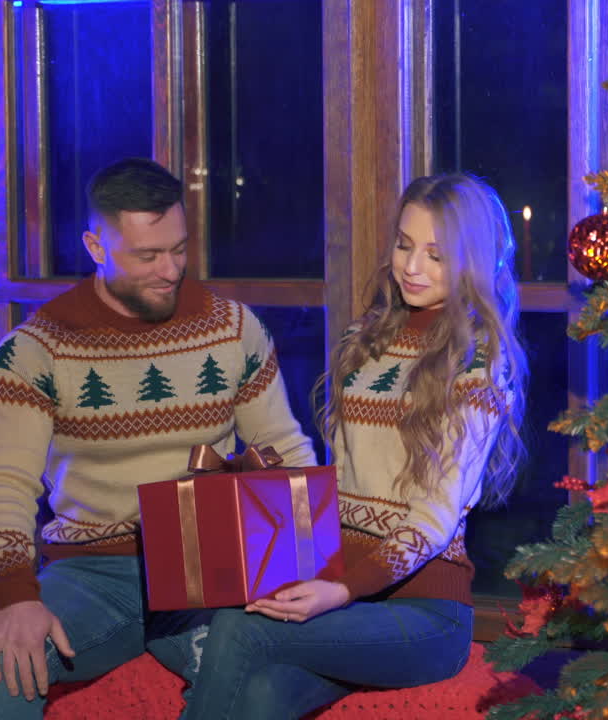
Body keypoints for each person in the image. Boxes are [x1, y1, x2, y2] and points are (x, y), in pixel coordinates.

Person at [162, 173, 528, 719]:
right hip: (346, 592)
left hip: (425, 615)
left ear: (474, 260)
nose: (411, 266)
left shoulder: (478, 360)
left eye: (436, 254)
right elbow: (346, 479)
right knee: (259, 695)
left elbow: (434, 518)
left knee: (238, 628)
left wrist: (341, 590)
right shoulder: (370, 338)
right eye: (404, 245)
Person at [0, 157, 318, 718]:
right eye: (147, 255)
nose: (170, 269)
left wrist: (307, 561)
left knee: (257, 681)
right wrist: (14, 594)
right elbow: (5, 483)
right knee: (6, 652)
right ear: (95, 246)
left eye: (178, 249)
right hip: (93, 571)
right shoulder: (34, 350)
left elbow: (284, 447)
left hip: (210, 565)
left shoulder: (234, 328)